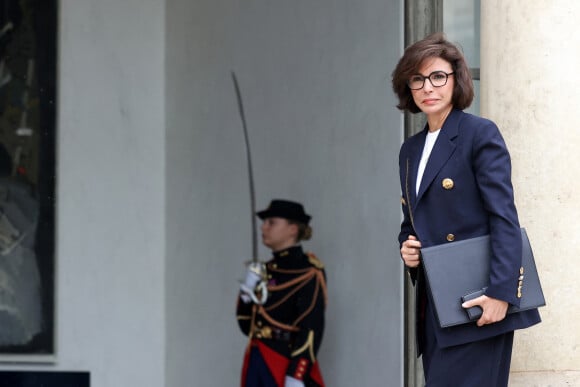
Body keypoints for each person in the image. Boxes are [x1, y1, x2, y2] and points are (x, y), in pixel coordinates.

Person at [391, 33, 541, 386]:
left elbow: (503, 218)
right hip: (436, 301)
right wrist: (408, 248)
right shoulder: (410, 151)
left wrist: (502, 294)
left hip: (480, 299)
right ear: (408, 87)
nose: (428, 87)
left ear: (456, 80)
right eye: (418, 79)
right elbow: (413, 221)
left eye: (438, 76)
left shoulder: (479, 133)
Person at [236, 199, 326, 387]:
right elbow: (247, 326)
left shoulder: (308, 271)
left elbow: (311, 327)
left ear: (292, 229)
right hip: (257, 360)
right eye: (264, 223)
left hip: (283, 362)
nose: (263, 228)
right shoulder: (264, 270)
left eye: (271, 222)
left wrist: (297, 374)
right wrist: (246, 292)